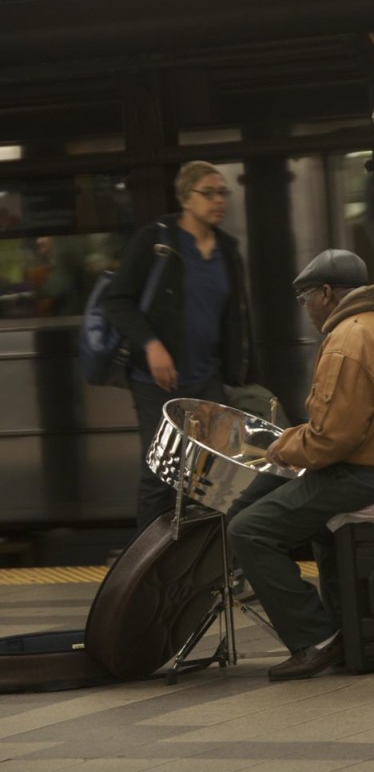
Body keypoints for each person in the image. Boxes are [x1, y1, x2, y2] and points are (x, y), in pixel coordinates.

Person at [227, 248, 374, 681]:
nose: (306, 310)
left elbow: (331, 440)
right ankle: (342, 627)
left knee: (249, 528)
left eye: (305, 300)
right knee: (291, 513)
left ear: (327, 293)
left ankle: (316, 639)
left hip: (371, 470)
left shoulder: (350, 338)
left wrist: (285, 447)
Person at [104, 160, 258, 531]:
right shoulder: (156, 241)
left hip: (207, 378)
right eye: (208, 193)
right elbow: (117, 300)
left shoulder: (227, 250)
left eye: (222, 193)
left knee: (210, 479)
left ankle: (203, 565)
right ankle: (145, 570)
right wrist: (152, 345)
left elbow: (236, 321)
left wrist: (238, 374)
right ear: (185, 198)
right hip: (158, 382)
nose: (218, 200)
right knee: (160, 474)